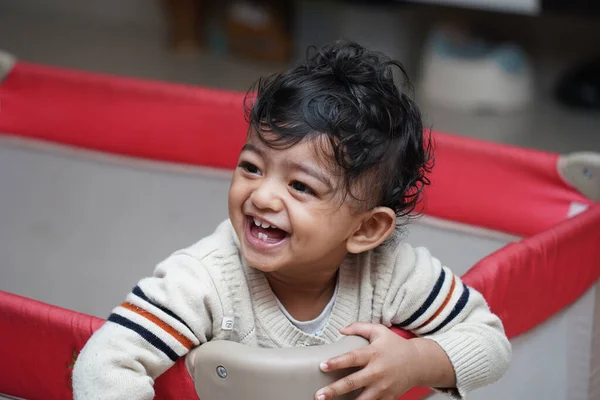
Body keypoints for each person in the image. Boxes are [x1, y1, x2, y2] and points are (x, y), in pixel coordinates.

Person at [72, 41, 511, 400]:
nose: (261, 195)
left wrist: (416, 361)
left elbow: (490, 342)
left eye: (301, 187)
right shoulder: (204, 280)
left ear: (365, 229)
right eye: (251, 167)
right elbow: (105, 362)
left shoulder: (393, 273)